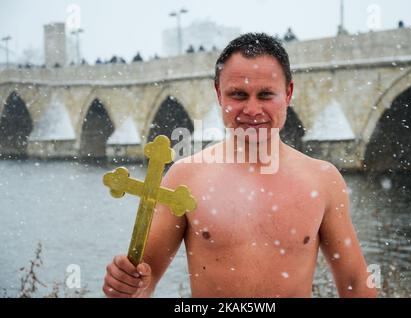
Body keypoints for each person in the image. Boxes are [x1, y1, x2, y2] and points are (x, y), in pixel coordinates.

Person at [103, 33, 377, 298]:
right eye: (238, 95)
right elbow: (144, 278)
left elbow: (354, 282)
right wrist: (128, 284)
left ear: (288, 93)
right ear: (219, 95)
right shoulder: (185, 178)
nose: (252, 110)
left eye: (266, 95)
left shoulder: (323, 180)